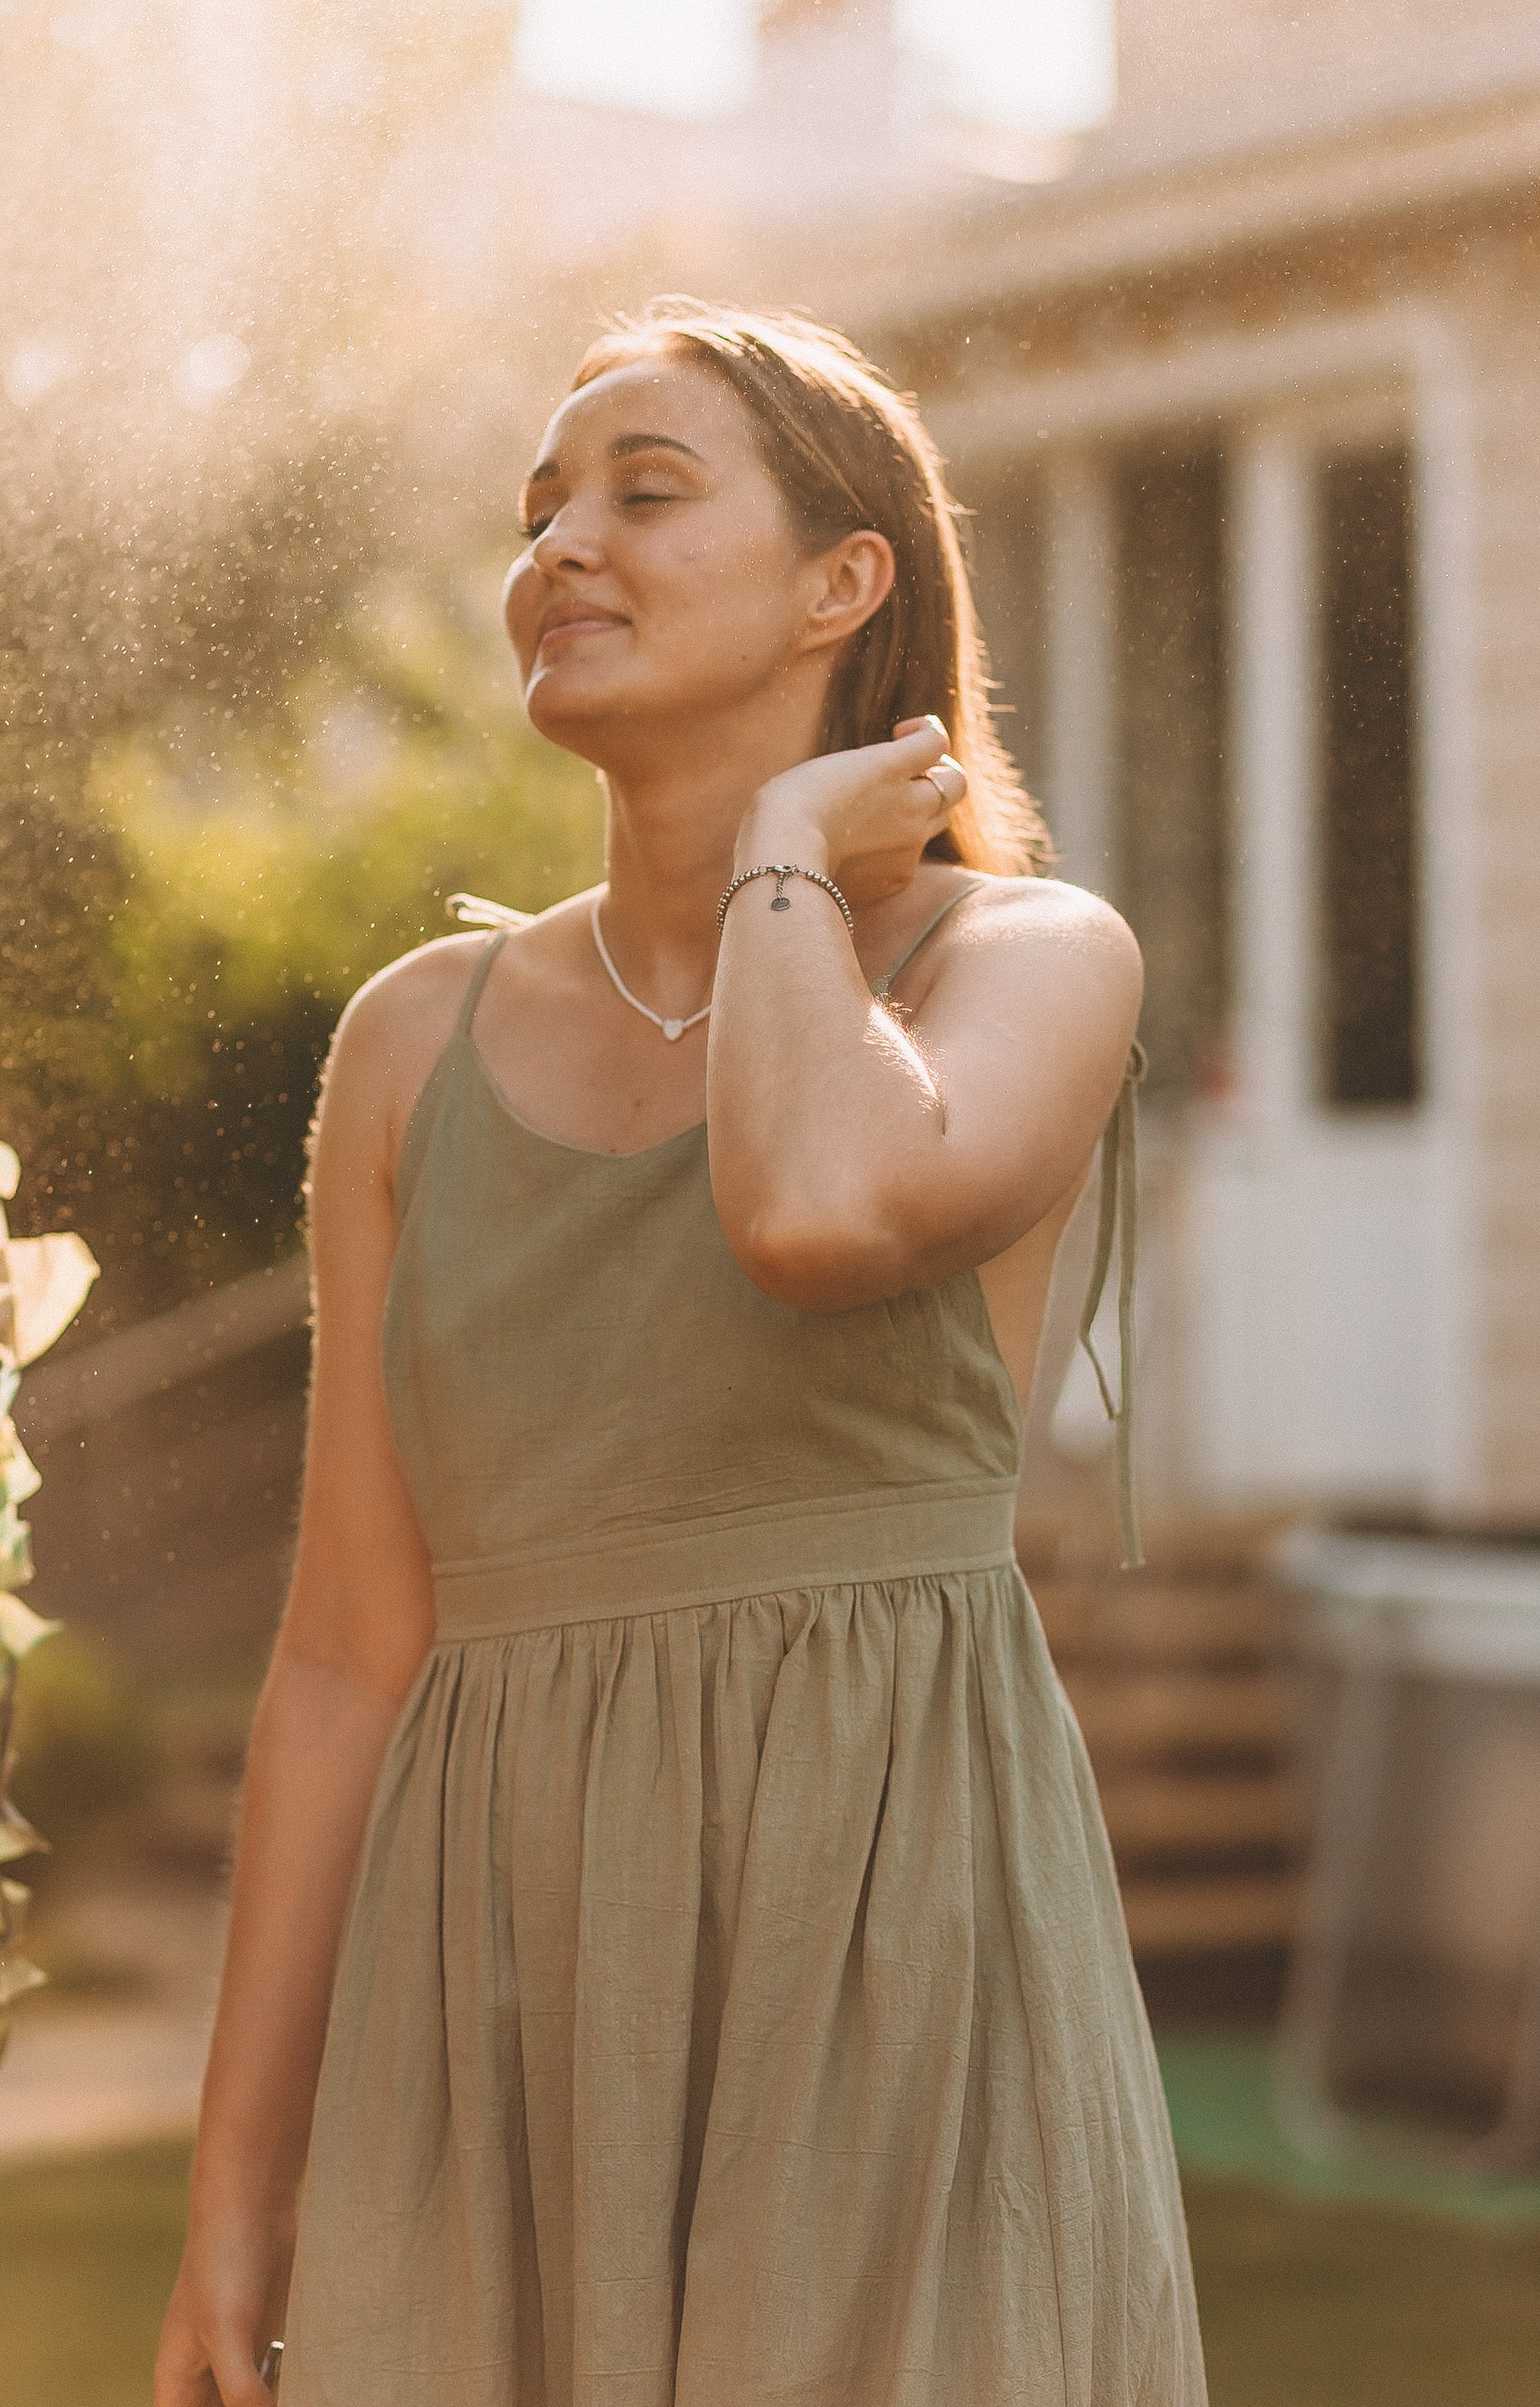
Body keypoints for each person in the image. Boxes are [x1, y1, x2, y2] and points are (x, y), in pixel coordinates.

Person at [156, 298, 1206, 2406]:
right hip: (494, 2012)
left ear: (847, 582)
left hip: (886, 1964)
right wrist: (237, 2192)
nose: (561, 552)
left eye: (646, 493)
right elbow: (350, 1652)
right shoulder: (409, 1048)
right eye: (541, 514)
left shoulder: (1025, 961)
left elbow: (812, 1212)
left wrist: (787, 862)